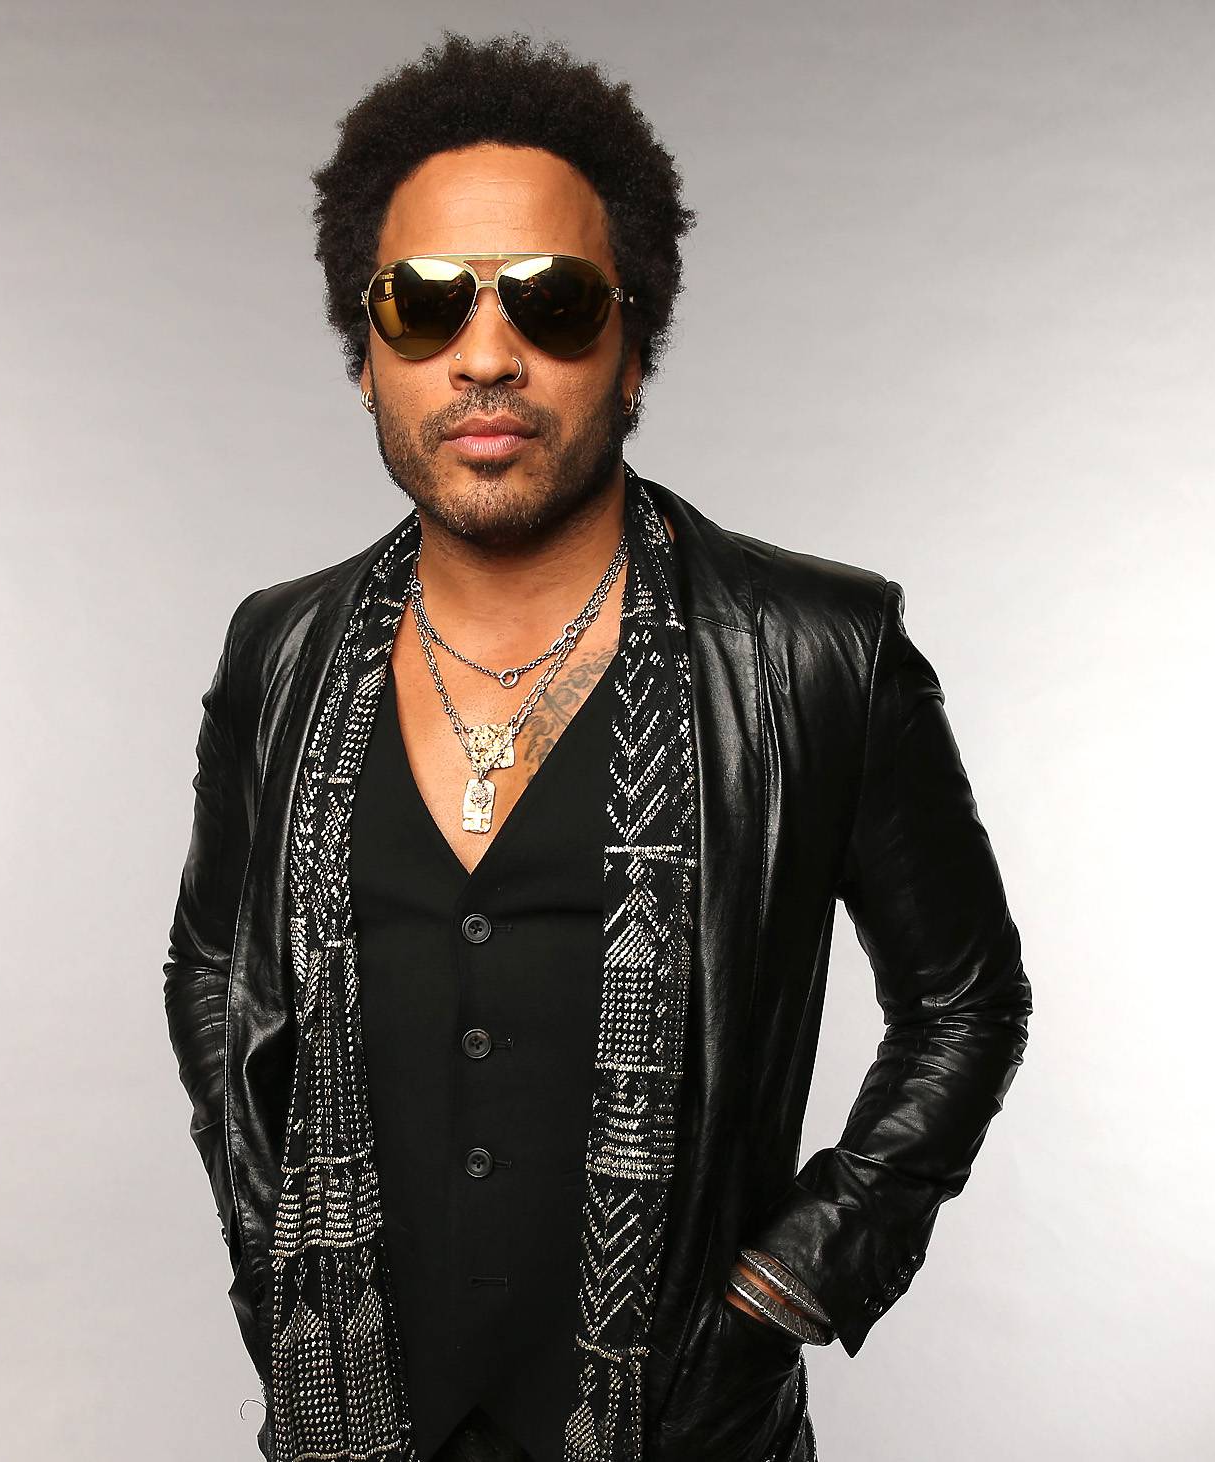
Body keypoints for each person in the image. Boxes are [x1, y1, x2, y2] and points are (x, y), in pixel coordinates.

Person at [162, 30, 1032, 1462]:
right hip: (345, 1412)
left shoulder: (818, 656)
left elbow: (966, 999)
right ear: (365, 355)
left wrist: (796, 1278)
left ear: (634, 349)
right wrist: (263, 1228)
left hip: (678, 1427)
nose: (486, 355)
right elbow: (211, 966)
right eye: (424, 303)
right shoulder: (280, 652)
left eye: (553, 301)